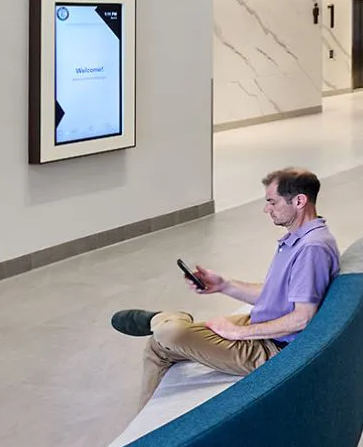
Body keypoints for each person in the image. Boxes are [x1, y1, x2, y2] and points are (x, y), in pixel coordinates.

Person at [110, 167, 339, 402]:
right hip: (265, 326)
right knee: (159, 344)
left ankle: (168, 319)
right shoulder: (299, 239)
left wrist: (239, 333)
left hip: (274, 348)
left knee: (167, 334)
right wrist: (223, 285)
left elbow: (302, 318)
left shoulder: (312, 249)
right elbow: (275, 296)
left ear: (299, 201)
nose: (266, 209)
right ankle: (147, 431)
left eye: (272, 202)